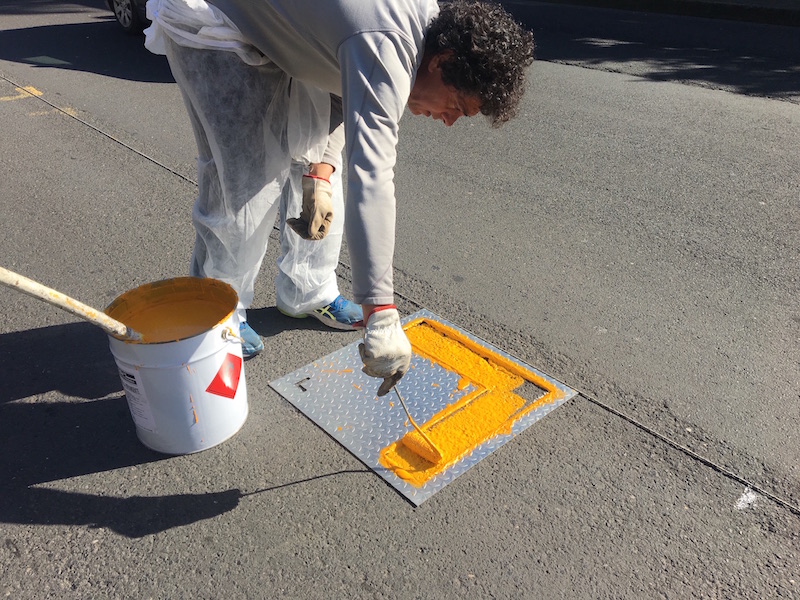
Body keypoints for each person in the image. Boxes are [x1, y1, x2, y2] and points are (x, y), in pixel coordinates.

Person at [144, 0, 534, 395]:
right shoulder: (389, 41)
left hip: (287, 33)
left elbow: (343, 85)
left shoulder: (423, 33)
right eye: (457, 106)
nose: (449, 120)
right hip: (220, 22)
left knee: (317, 169)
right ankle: (216, 315)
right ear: (442, 61)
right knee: (245, 183)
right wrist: (381, 313)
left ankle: (306, 290)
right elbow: (374, 175)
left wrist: (322, 170)